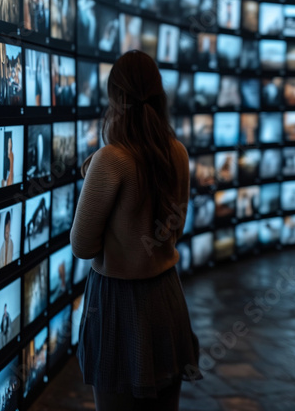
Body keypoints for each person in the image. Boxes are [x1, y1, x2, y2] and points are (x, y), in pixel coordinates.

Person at [71, 50, 202, 410]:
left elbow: (81, 245)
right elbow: (173, 229)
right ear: (159, 96)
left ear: (115, 99)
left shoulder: (111, 159)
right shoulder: (177, 152)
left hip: (115, 304)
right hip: (165, 298)